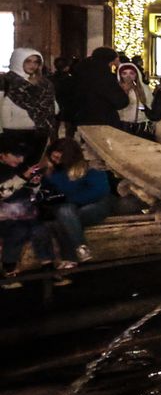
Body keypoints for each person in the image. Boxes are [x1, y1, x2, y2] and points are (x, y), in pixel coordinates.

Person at [40, 138, 111, 270]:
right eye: (54, 156)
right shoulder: (51, 171)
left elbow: (100, 191)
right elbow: (47, 192)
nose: (56, 160)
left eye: (60, 158)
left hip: (95, 205)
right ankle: (81, 248)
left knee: (64, 217)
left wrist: (69, 199)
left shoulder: (89, 167)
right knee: (64, 214)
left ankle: (69, 258)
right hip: (67, 209)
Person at [0, 140, 55, 285]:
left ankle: (48, 269)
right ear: (3, 154)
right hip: (4, 216)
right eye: (16, 155)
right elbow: (2, 192)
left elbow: (29, 193)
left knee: (40, 228)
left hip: (23, 211)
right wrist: (23, 178)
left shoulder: (20, 167)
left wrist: (35, 184)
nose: (21, 159)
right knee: (19, 230)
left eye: (22, 156)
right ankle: (8, 269)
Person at [0, 48, 58, 161]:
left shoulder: (45, 83)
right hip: (12, 134)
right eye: (28, 61)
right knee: (12, 169)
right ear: (18, 61)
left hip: (39, 133)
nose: (32, 65)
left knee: (32, 168)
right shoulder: (5, 81)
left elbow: (53, 107)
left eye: (36, 62)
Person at [72, 47, 130, 128]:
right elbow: (120, 102)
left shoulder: (81, 73)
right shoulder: (104, 77)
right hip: (103, 121)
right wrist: (125, 91)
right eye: (112, 64)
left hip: (83, 119)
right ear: (109, 62)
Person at [116, 61, 153, 135]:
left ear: (136, 75)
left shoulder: (144, 88)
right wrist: (125, 91)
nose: (128, 76)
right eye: (124, 73)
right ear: (120, 75)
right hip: (124, 124)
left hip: (142, 123)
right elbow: (117, 106)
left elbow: (150, 104)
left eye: (131, 73)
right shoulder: (116, 88)